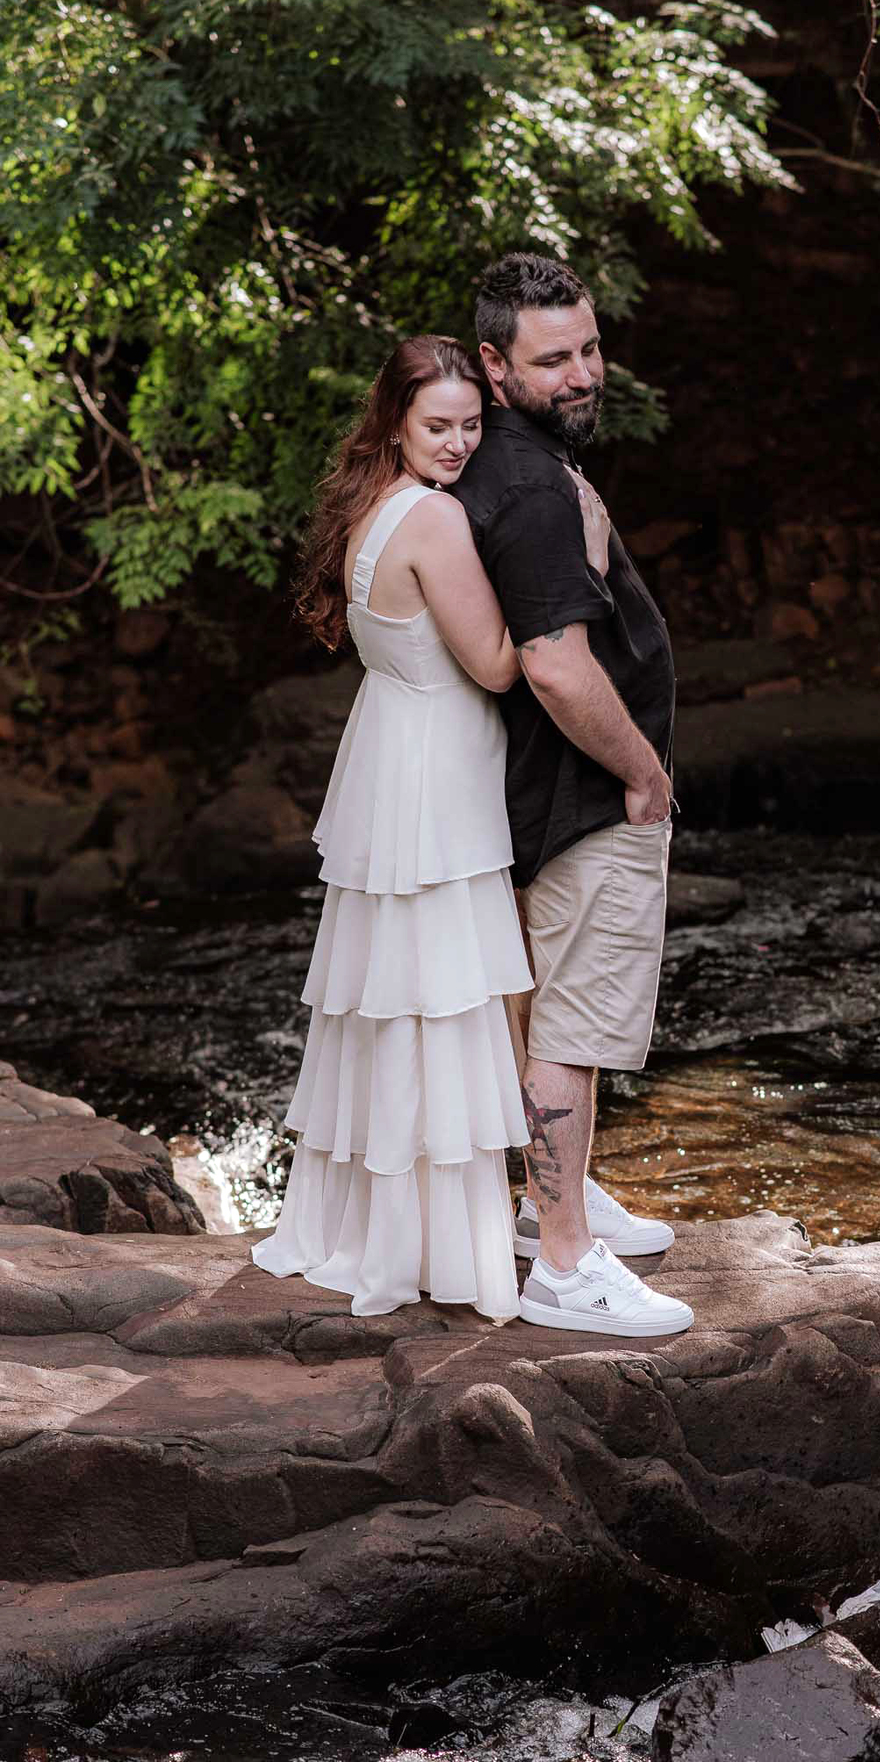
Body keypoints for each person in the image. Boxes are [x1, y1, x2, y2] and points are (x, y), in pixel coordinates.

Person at [249, 334, 608, 1322]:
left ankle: (389, 1226)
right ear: (396, 423)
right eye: (437, 425)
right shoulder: (438, 518)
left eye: (471, 425)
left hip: (392, 754)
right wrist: (569, 562)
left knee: (392, 998)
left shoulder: (374, 503)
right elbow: (494, 663)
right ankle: (448, 1245)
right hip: (437, 769)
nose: (457, 444)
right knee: (441, 997)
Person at [452, 253, 694, 1337]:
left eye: (590, 348)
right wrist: (643, 773)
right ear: (496, 366)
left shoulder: (508, 463)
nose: (585, 373)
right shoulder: (534, 489)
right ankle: (561, 1262)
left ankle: (554, 1200)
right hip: (583, 802)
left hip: (537, 802)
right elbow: (553, 665)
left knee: (538, 1010)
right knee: (572, 1027)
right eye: (554, 359)